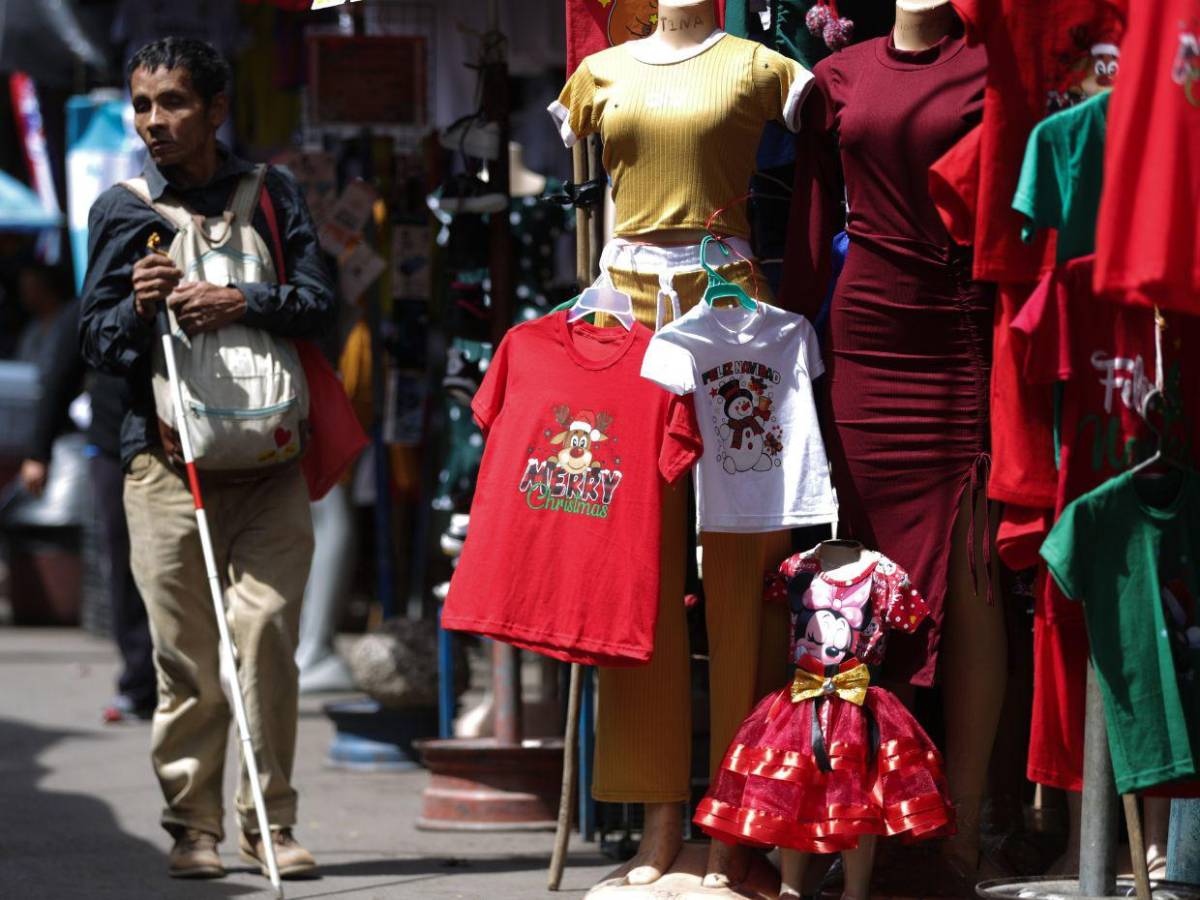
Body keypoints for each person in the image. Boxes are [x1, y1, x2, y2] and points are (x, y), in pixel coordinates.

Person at [79, 37, 335, 881]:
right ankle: (193, 826)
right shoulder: (122, 210)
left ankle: (271, 823)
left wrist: (242, 300)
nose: (154, 121)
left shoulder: (273, 193)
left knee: (263, 639)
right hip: (165, 468)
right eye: (142, 104)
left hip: (268, 465)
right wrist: (135, 308)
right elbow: (97, 343)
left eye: (174, 103)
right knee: (186, 658)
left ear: (217, 110)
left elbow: (318, 302)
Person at [17, 294, 157, 723]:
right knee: (127, 567)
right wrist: (37, 452)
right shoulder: (94, 298)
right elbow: (59, 376)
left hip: (185, 450)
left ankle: (188, 679)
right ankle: (140, 682)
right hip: (116, 451)